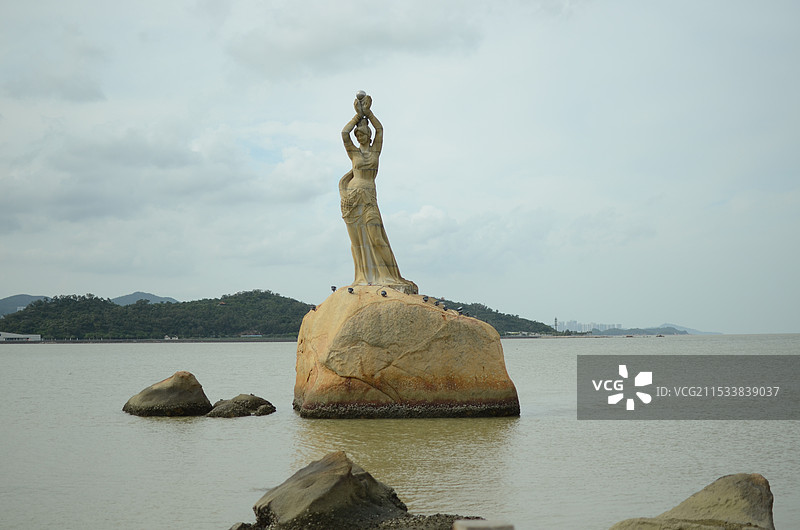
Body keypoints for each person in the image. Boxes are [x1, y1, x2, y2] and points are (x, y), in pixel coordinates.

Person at [339, 92, 417, 294]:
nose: (359, 137)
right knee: (357, 242)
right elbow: (344, 133)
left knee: (376, 238)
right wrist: (358, 116)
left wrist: (368, 113)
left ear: (369, 135)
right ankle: (364, 277)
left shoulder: (375, 151)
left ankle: (388, 276)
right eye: (358, 135)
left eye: (363, 134)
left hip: (369, 198)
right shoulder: (353, 152)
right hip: (351, 199)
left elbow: (380, 129)